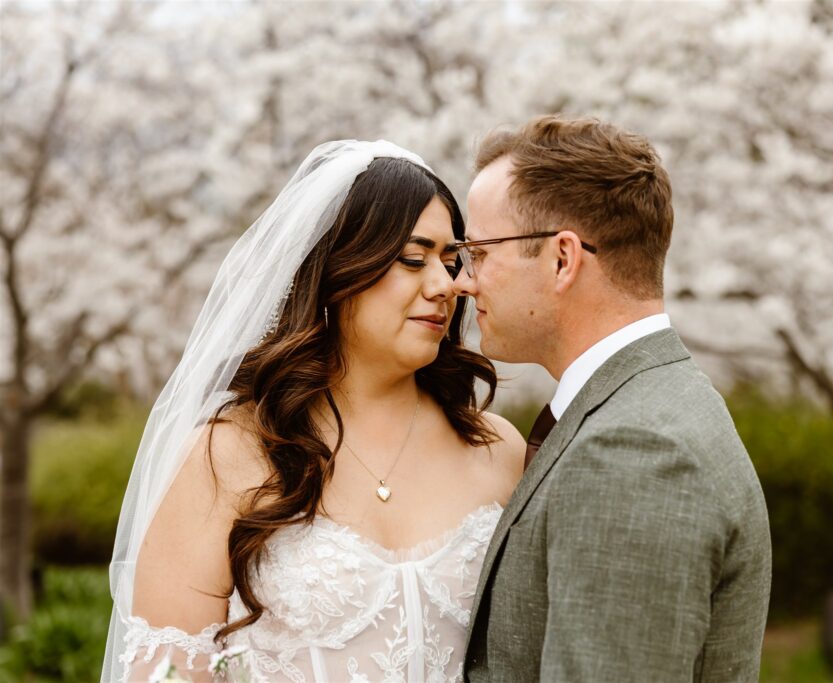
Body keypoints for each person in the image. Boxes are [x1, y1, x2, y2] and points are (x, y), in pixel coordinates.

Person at [102, 141, 525, 683]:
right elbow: (166, 672)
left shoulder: (499, 450)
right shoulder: (228, 455)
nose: (446, 286)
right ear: (337, 270)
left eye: (451, 262)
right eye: (414, 260)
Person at [452, 116, 772, 682]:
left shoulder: (633, 452)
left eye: (479, 253)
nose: (463, 281)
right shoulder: (653, 400)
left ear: (562, 259)